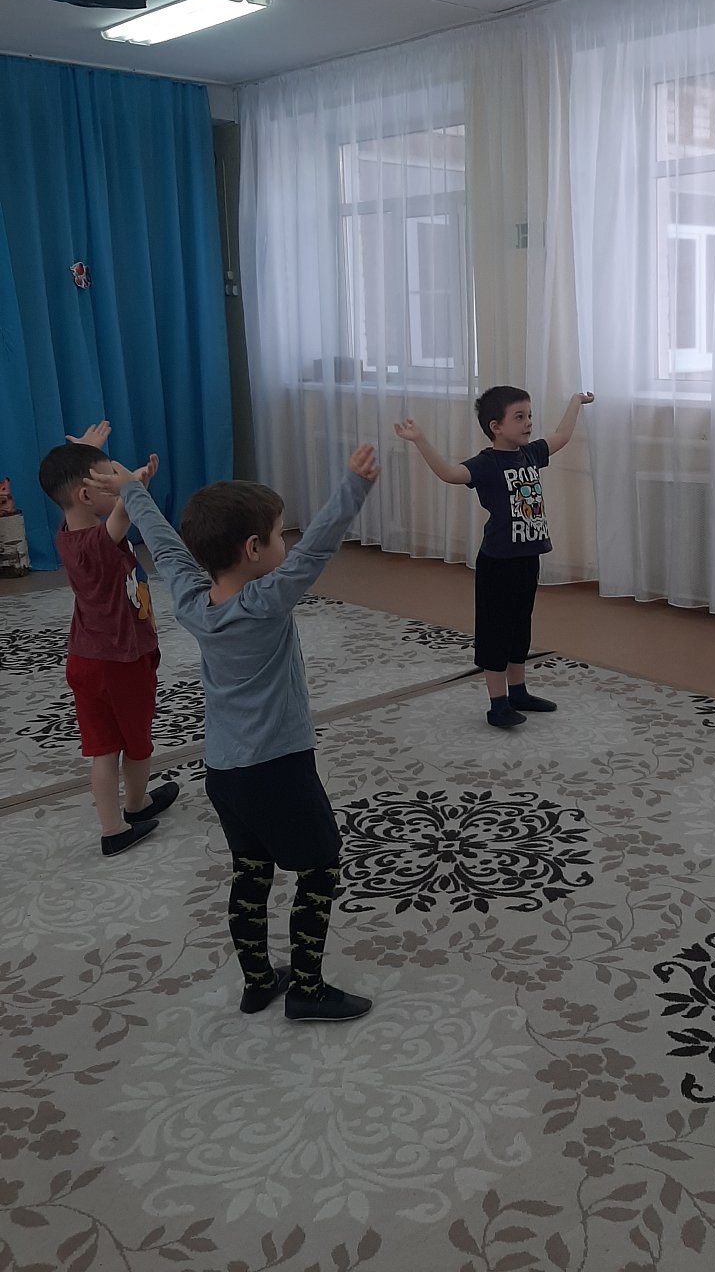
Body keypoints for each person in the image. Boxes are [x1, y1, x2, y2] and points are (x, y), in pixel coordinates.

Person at [89, 446, 381, 1023]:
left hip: (225, 772)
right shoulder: (265, 602)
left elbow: (165, 546)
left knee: (251, 870)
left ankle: (257, 980)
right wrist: (354, 486)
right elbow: (316, 550)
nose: (286, 543)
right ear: (253, 549)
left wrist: (134, 492)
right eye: (278, 534)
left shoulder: (192, 599)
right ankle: (307, 989)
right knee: (320, 866)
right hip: (278, 769)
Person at [396, 387, 593, 728]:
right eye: (519, 417)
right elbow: (449, 474)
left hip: (527, 559)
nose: (528, 422)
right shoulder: (487, 464)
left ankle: (518, 692)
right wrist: (421, 440)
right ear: (496, 427)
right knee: (495, 633)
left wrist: (575, 402)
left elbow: (562, 436)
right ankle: (497, 704)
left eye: (529, 416)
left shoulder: (530, 454)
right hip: (498, 564)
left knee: (519, 630)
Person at [37, 421, 179, 857]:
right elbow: (128, 507)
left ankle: (112, 827)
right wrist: (132, 485)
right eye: (107, 485)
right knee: (136, 742)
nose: (116, 491)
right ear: (86, 495)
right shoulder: (100, 542)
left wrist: (88, 453)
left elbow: (115, 500)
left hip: (85, 659)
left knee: (102, 748)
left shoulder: (68, 537)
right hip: (122, 660)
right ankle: (135, 806)